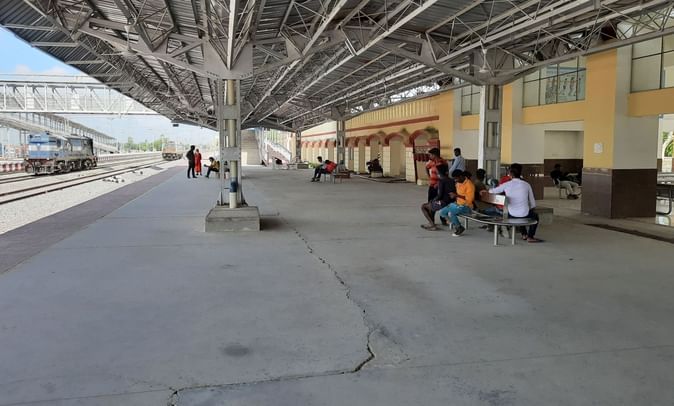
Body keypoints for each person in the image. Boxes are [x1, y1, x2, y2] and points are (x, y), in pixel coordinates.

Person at [482, 163, 542, 243]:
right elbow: (533, 204)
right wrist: (528, 208)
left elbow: (492, 191)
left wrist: (485, 191)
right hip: (524, 214)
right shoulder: (527, 185)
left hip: (511, 215)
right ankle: (530, 236)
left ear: (510, 173)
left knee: (518, 214)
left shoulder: (506, 185)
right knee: (534, 216)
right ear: (520, 173)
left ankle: (524, 234)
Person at [439, 169, 475, 236]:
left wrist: (456, 195)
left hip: (467, 206)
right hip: (457, 204)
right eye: (454, 179)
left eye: (456, 178)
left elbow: (469, 199)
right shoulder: (458, 183)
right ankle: (454, 223)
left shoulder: (469, 185)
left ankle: (459, 227)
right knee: (442, 212)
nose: (455, 180)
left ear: (461, 176)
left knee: (452, 212)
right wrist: (453, 195)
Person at [420, 164, 455, 230]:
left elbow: (439, 195)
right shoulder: (452, 180)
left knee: (424, 206)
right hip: (451, 202)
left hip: (443, 202)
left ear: (439, 173)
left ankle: (432, 225)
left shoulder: (441, 181)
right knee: (431, 205)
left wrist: (433, 200)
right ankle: (432, 223)